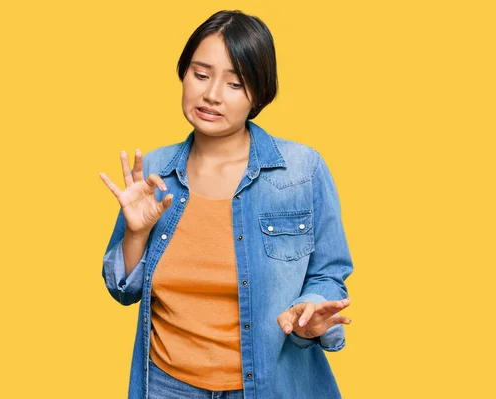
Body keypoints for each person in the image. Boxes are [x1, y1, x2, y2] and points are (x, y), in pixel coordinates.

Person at [100, 10, 353, 399]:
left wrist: (308, 314)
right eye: (200, 75)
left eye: (235, 83)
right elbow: (123, 291)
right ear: (183, 73)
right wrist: (135, 233)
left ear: (258, 94)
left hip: (268, 385)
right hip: (168, 386)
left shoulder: (301, 170)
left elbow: (329, 273)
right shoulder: (152, 172)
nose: (212, 94)